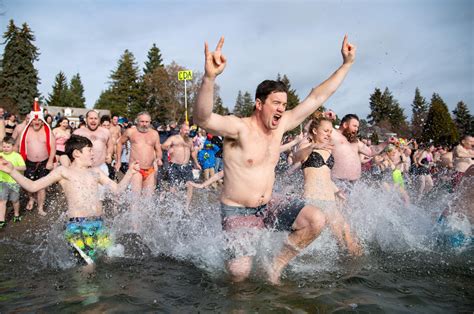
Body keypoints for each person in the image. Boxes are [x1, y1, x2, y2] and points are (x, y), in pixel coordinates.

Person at [193, 35, 356, 284]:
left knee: (316, 219)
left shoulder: (282, 126)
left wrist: (345, 64)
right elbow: (203, 118)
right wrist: (209, 78)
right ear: (259, 104)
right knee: (239, 274)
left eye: (284, 104)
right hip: (238, 209)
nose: (281, 108)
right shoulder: (238, 128)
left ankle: (275, 266)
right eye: (276, 103)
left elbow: (316, 98)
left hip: (269, 204)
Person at [0, 135, 140, 262]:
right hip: (78, 227)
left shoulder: (96, 171)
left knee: (109, 260)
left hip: (99, 224)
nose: (93, 153)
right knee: (88, 266)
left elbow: (117, 190)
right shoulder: (64, 172)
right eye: (89, 150)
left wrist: (130, 173)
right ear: (77, 153)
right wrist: (12, 171)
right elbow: (32, 186)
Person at [293, 111, 361, 254]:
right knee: (344, 239)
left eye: (330, 131)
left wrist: (337, 191)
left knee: (348, 239)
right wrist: (313, 146)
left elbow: (324, 176)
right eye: (326, 131)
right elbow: (295, 157)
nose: (329, 134)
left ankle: (356, 272)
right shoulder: (307, 143)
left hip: (329, 200)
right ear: (314, 130)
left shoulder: (328, 149)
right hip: (314, 199)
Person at [330, 113, 396, 190]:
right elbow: (318, 127)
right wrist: (326, 117)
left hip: (352, 183)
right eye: (354, 126)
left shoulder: (355, 141)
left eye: (357, 127)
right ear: (345, 125)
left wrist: (386, 142)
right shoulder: (333, 134)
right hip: (337, 181)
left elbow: (371, 151)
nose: (356, 129)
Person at [18, 99, 56, 216]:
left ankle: (40, 207)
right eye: (35, 120)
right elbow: (19, 146)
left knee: (41, 186)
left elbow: (53, 147)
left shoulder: (47, 131)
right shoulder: (25, 131)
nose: (37, 122)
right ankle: (31, 198)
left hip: (44, 162)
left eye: (39, 120)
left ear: (42, 120)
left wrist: (50, 161)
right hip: (29, 162)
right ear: (31, 120)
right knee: (28, 185)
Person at [115, 112, 162, 196]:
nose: (144, 124)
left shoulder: (154, 133)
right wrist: (118, 161)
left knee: (148, 200)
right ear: (137, 121)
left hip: (150, 169)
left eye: (147, 122)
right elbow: (119, 143)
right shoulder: (131, 132)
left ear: (150, 122)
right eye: (142, 121)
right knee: (135, 199)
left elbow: (158, 149)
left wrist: (159, 158)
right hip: (136, 169)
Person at [71, 110, 113, 176]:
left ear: (99, 120)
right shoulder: (78, 133)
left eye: (95, 118)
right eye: (91, 118)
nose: (93, 120)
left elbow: (110, 145)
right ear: (86, 119)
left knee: (104, 186)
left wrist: (109, 154)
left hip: (101, 167)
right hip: (83, 169)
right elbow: (71, 149)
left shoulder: (106, 132)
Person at [161, 123, 201, 190]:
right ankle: (172, 199)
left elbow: (193, 152)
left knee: (190, 185)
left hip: (186, 166)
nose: (187, 132)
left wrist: (196, 163)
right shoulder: (174, 138)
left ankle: (188, 201)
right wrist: (168, 149)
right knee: (173, 186)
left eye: (188, 130)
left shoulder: (190, 140)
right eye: (185, 130)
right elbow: (163, 146)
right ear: (181, 130)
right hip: (174, 165)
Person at [0, 137, 26, 228]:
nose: (5, 148)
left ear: (13, 146)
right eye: (4, 147)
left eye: (8, 147)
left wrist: (12, 168)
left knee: (15, 200)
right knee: (2, 201)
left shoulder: (17, 156)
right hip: (2, 181)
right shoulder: (0, 156)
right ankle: (1, 220)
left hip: (14, 182)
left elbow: (23, 167)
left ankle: (16, 214)